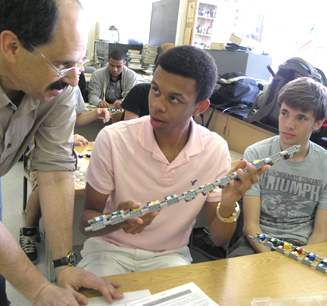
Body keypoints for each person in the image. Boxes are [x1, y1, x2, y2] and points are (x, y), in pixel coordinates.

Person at [0, 0, 124, 305]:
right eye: (63, 64)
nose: (74, 79)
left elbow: (56, 171)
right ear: (12, 47)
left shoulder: (61, 83)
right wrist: (40, 289)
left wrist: (65, 265)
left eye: (78, 63)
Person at [77, 45, 270, 277]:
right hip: (108, 251)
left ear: (200, 106)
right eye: (156, 90)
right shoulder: (113, 138)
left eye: (175, 99)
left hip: (169, 257)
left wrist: (228, 204)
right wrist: (117, 220)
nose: (158, 105)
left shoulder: (214, 149)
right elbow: (85, 224)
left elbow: (219, 240)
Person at [228, 77, 327, 257]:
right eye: (284, 113)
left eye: (301, 118)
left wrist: (302, 259)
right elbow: (251, 226)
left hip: (301, 247)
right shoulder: (256, 154)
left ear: (318, 123)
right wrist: (272, 259)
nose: (289, 125)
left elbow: (321, 233)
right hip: (256, 242)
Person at [20, 86, 110, 263]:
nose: (79, 72)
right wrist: (66, 138)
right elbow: (25, 133)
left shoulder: (72, 85)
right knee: (45, 185)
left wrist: (95, 114)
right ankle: (29, 231)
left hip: (66, 148)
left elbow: (76, 117)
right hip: (40, 150)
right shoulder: (37, 87)